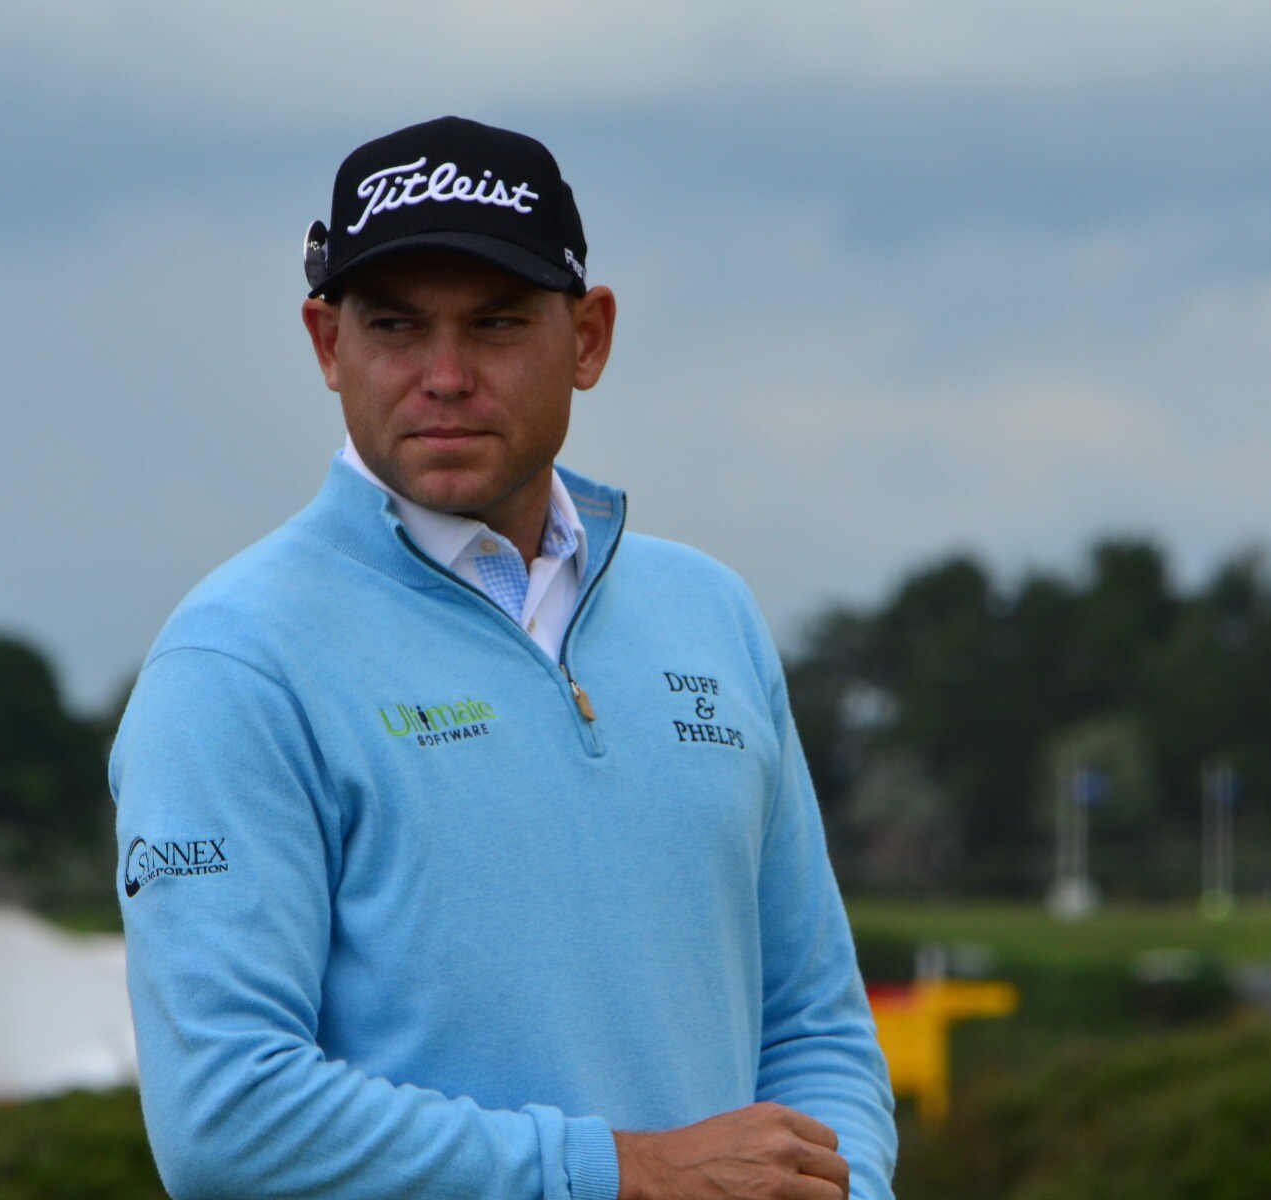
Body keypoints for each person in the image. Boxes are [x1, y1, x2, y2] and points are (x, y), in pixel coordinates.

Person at [111, 115, 896, 1200]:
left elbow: (812, 1026)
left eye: (495, 324)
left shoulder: (707, 611)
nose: (443, 374)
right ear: (327, 344)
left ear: (588, 338)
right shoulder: (233, 661)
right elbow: (226, 1114)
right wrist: (624, 1174)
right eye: (394, 325)